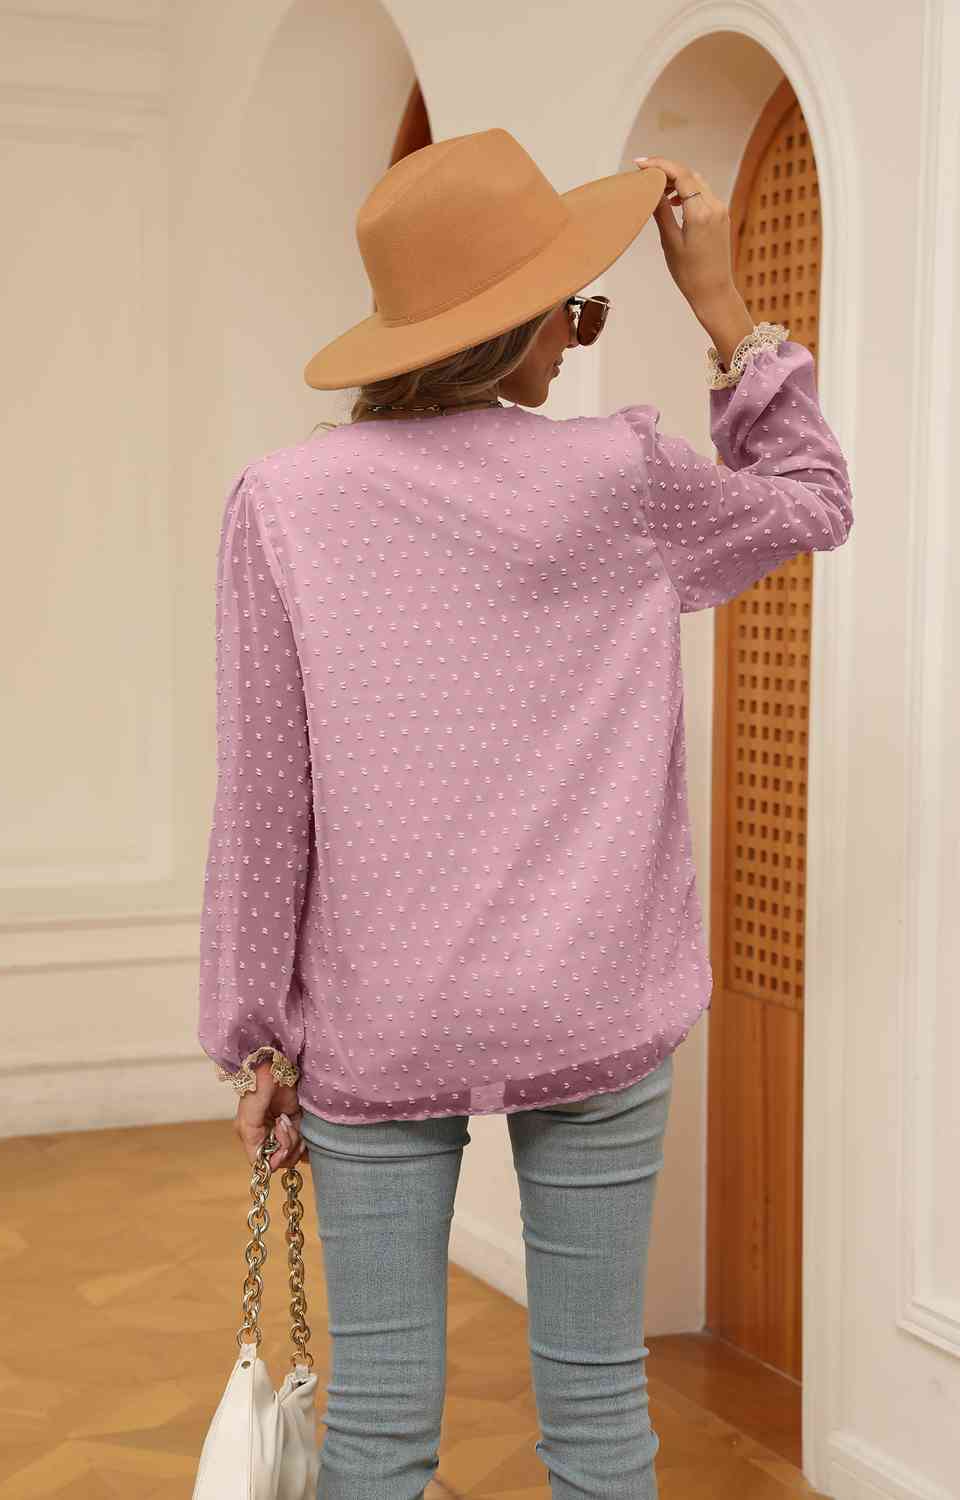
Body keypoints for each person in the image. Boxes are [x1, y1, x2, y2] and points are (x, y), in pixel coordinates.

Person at [197, 129, 853, 1498]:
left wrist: (255, 1037)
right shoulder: (619, 478)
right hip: (593, 1001)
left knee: (379, 1436)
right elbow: (812, 499)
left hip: (380, 1018)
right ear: (519, 325)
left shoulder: (286, 502)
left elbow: (263, 797)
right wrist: (723, 306)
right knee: (600, 1413)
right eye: (576, 307)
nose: (576, 333)